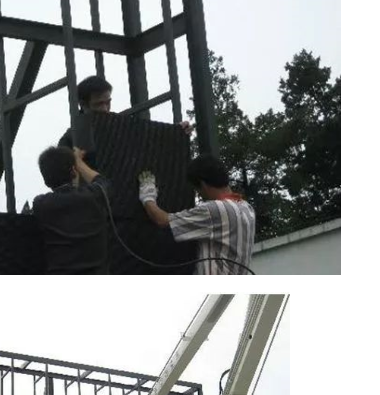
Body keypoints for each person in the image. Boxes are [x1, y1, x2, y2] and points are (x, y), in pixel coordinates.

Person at [138, 154, 256, 275]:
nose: (200, 194)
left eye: (197, 189)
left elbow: (161, 220)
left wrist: (148, 194)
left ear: (203, 184)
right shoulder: (247, 208)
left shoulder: (214, 210)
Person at [58, 75, 192, 171]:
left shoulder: (121, 126)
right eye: (98, 104)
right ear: (83, 105)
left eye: (108, 102)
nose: (105, 109)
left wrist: (176, 133)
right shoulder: (71, 138)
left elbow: (152, 143)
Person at [32, 146, 110, 274]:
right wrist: (78, 161)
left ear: (46, 181)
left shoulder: (40, 204)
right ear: (74, 171)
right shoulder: (93, 196)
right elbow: (102, 182)